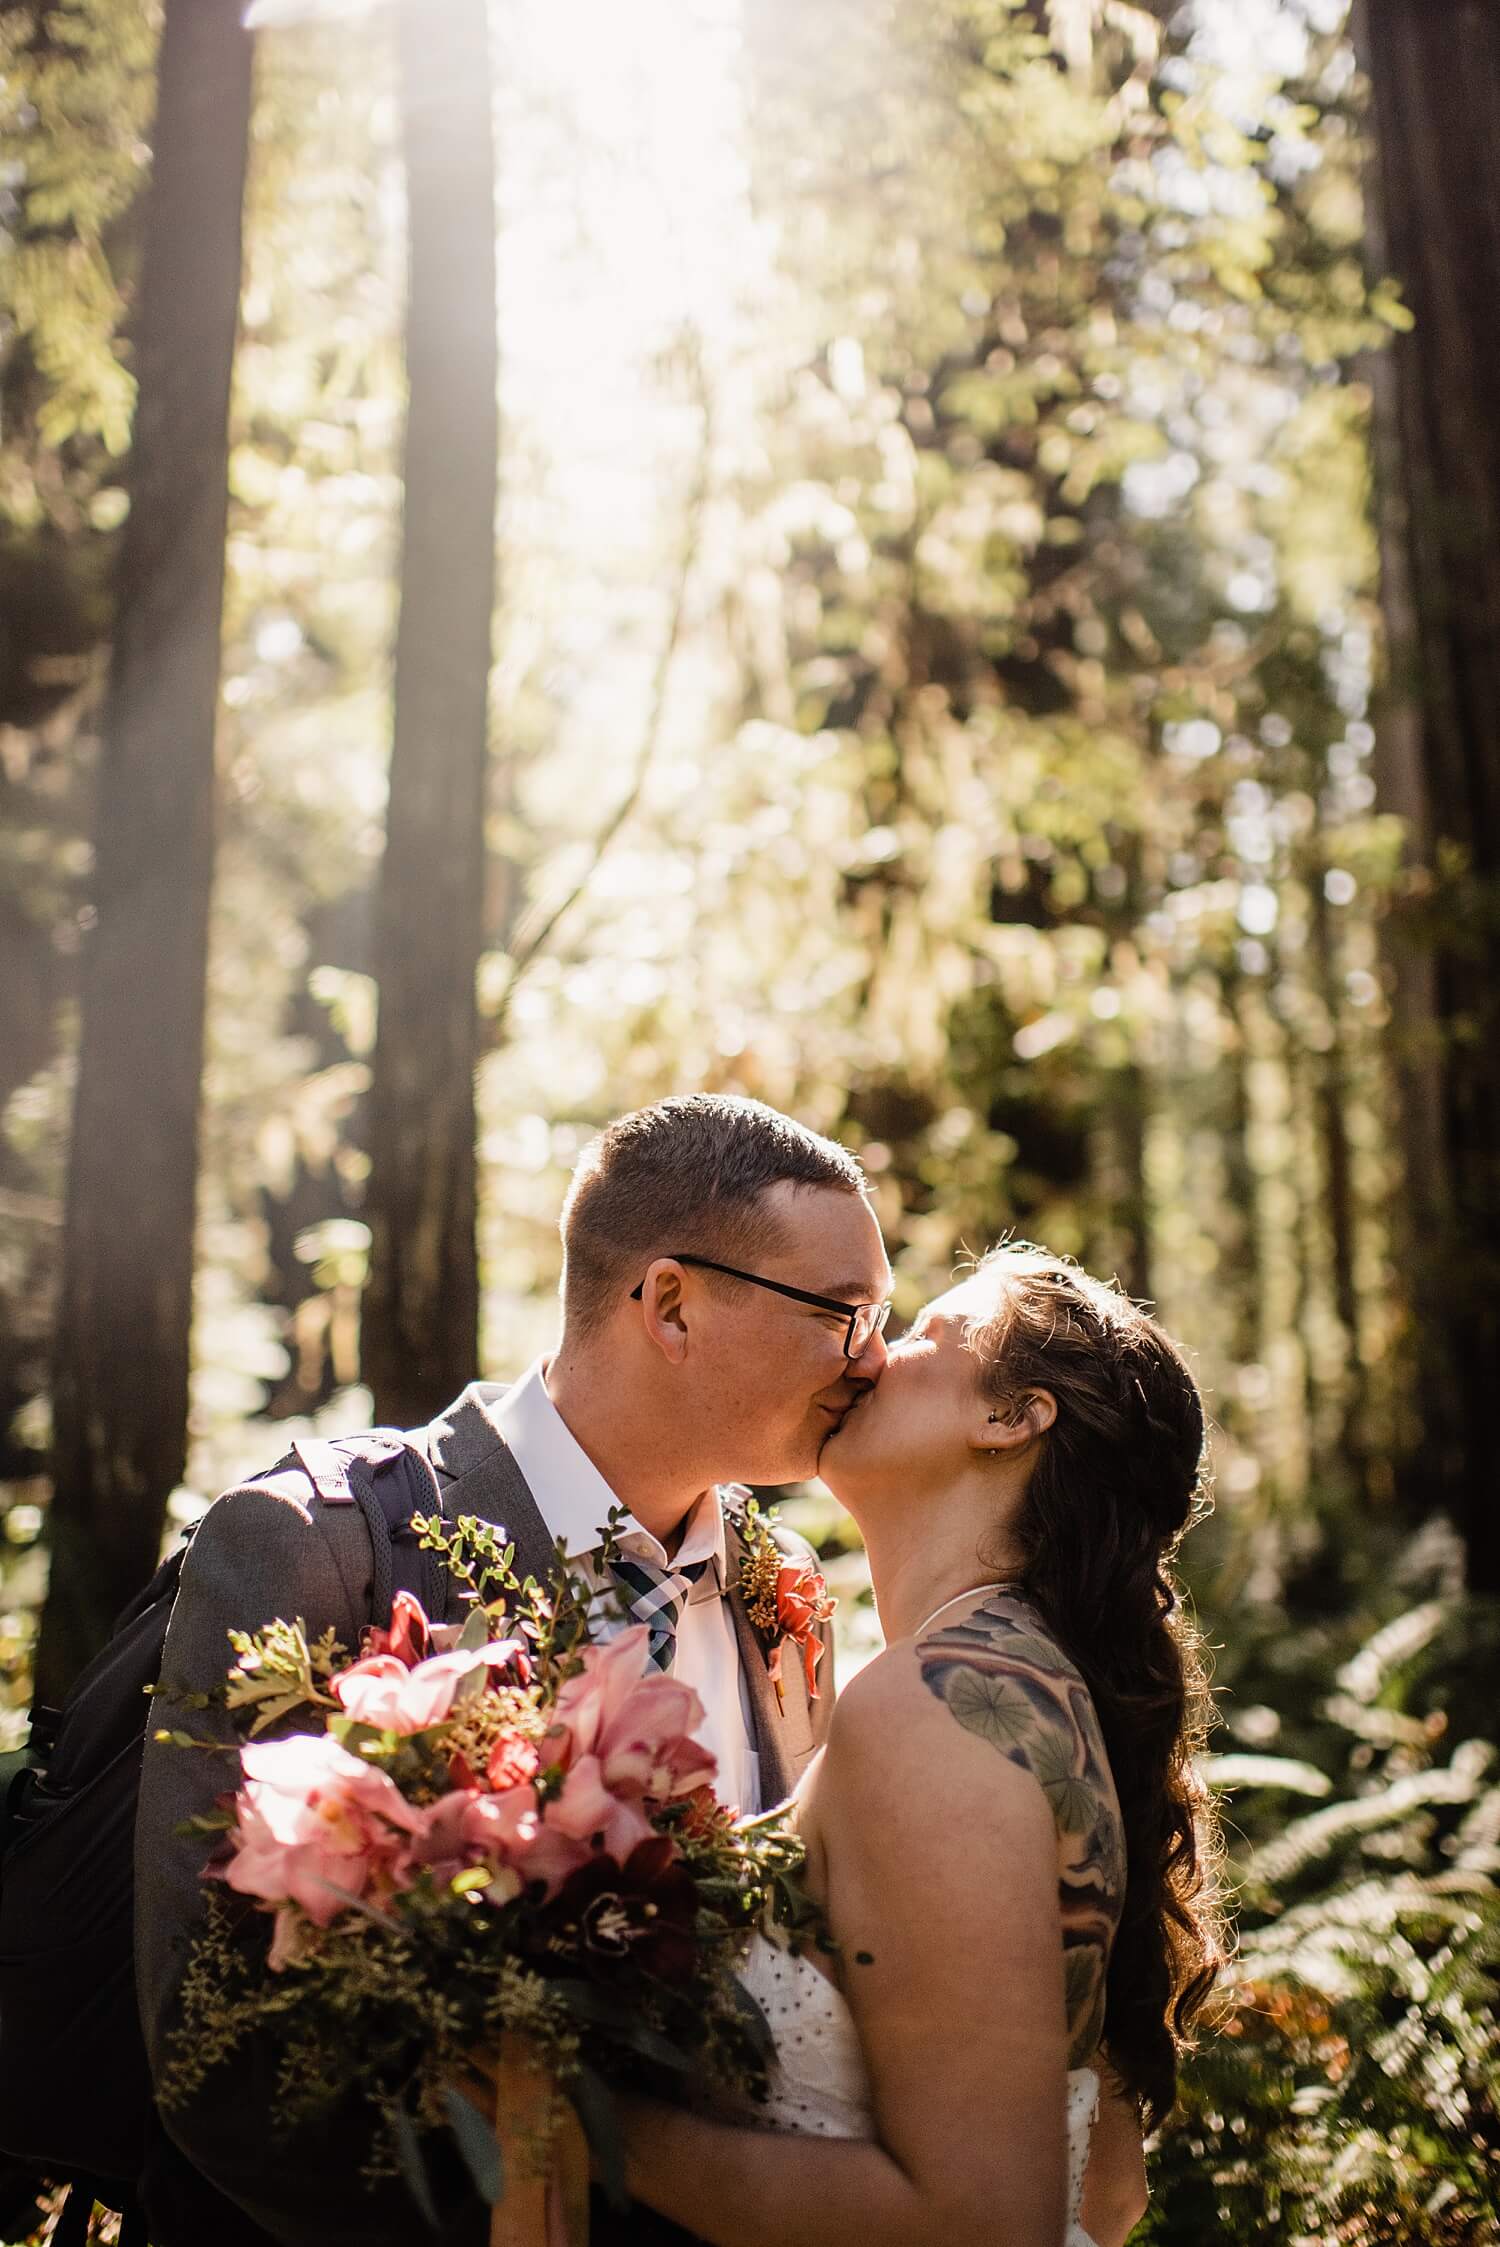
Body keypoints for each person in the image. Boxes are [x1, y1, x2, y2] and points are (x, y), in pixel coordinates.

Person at [133, 1094, 893, 2247]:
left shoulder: (784, 1594)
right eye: (842, 1312)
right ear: (672, 1304)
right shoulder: (314, 1547)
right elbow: (218, 2050)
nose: (874, 1358)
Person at [615, 1244, 1226, 2247]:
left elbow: (982, 2224)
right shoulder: (1025, 1688)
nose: (864, 1360)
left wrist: (585, 2126)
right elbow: (1104, 2191)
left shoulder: (937, 1712)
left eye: (918, 1335)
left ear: (1010, 1416)